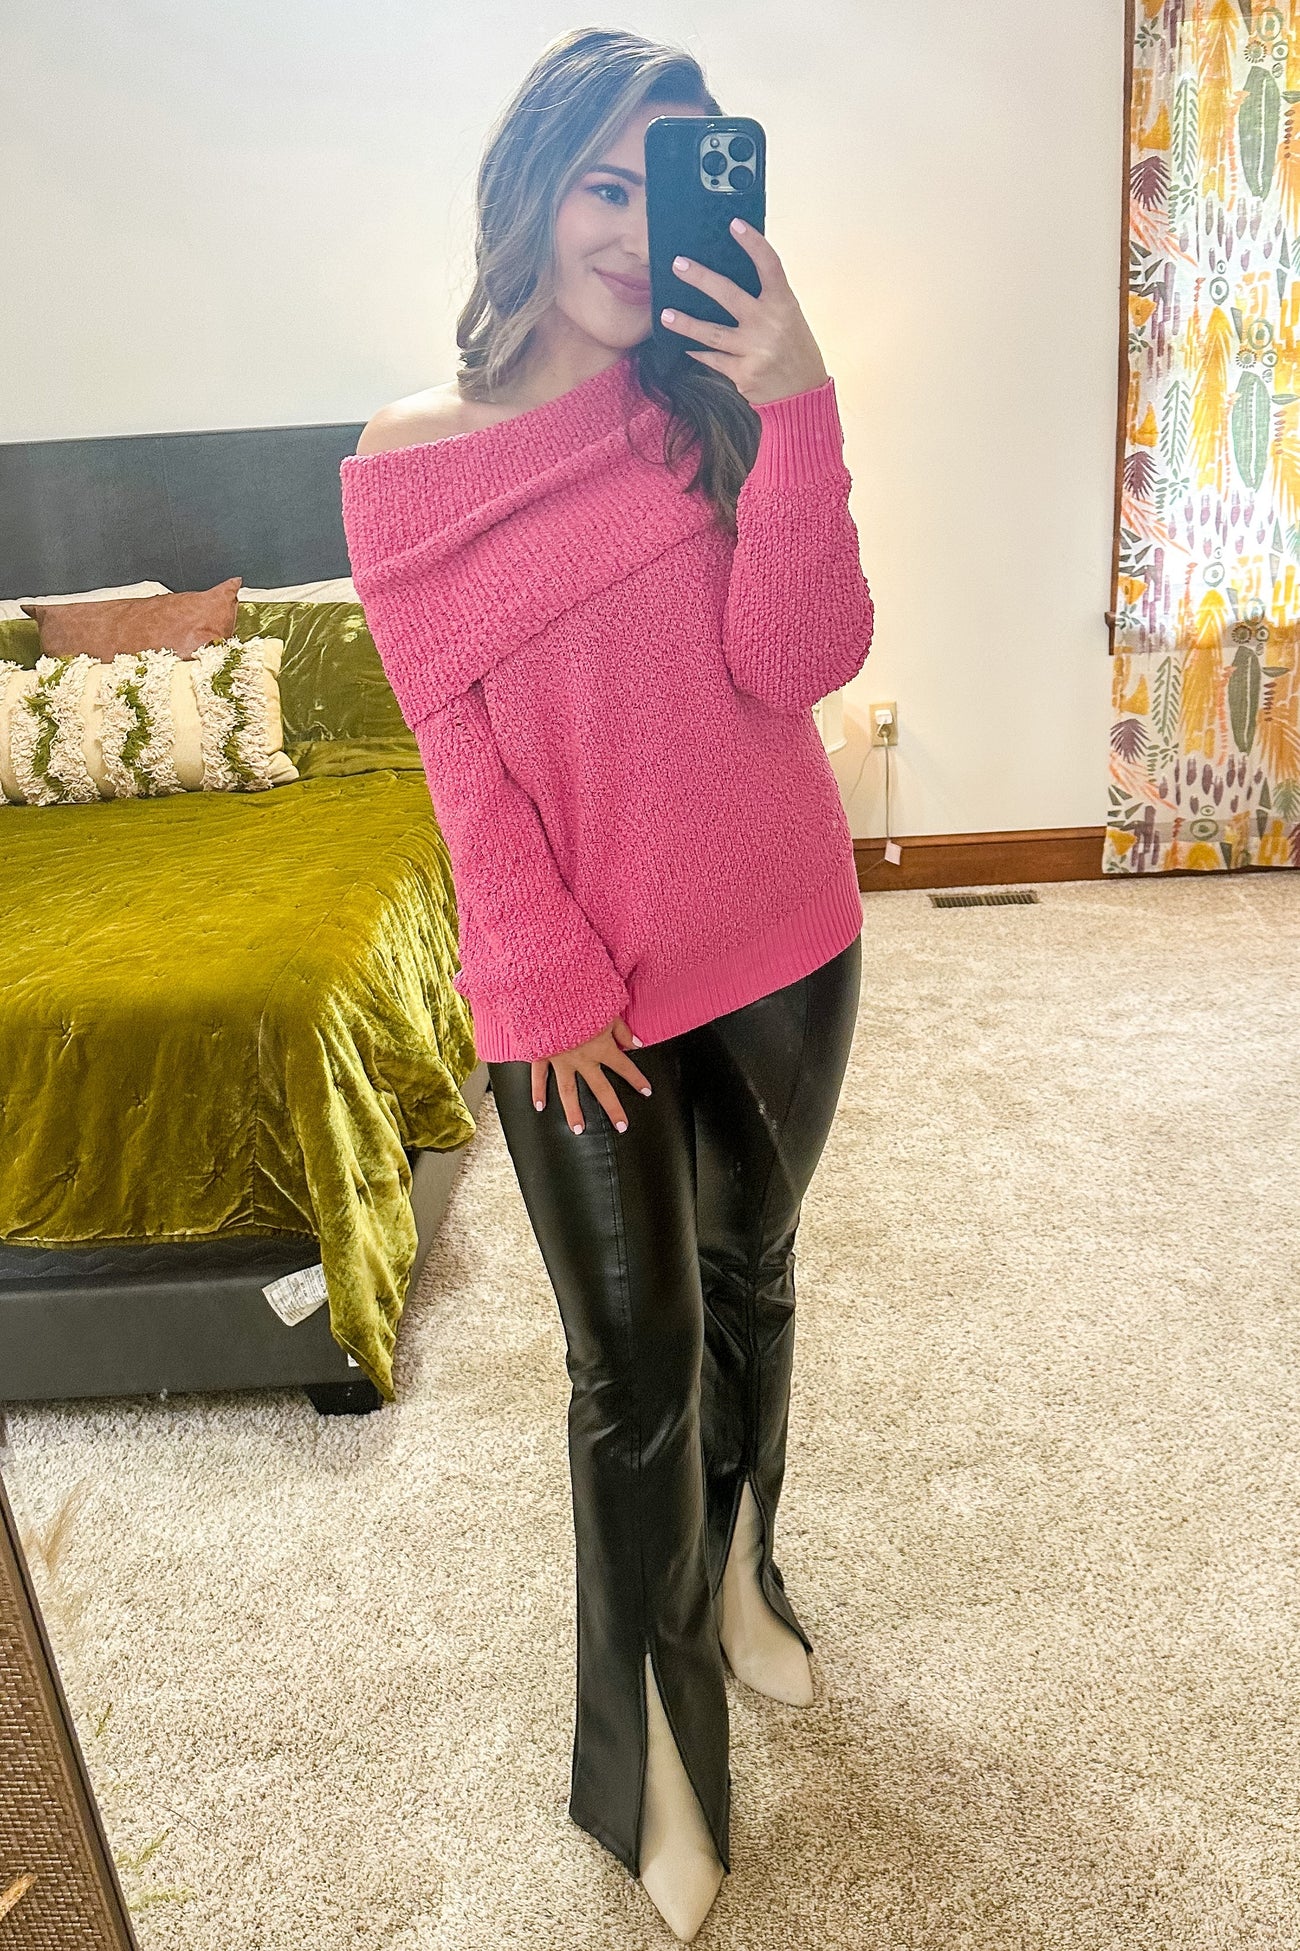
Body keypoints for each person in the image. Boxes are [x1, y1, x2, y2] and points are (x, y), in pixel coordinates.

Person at [339, 26, 873, 1941]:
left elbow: (799, 661)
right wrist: (544, 968)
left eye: (676, 190)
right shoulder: (409, 459)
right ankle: (648, 1762)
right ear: (534, 188)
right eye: (606, 186)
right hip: (571, 988)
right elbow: (455, 752)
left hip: (787, 935)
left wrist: (798, 404)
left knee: (749, 1283)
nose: (641, 237)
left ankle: (742, 1576)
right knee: (628, 1372)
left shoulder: (712, 403)